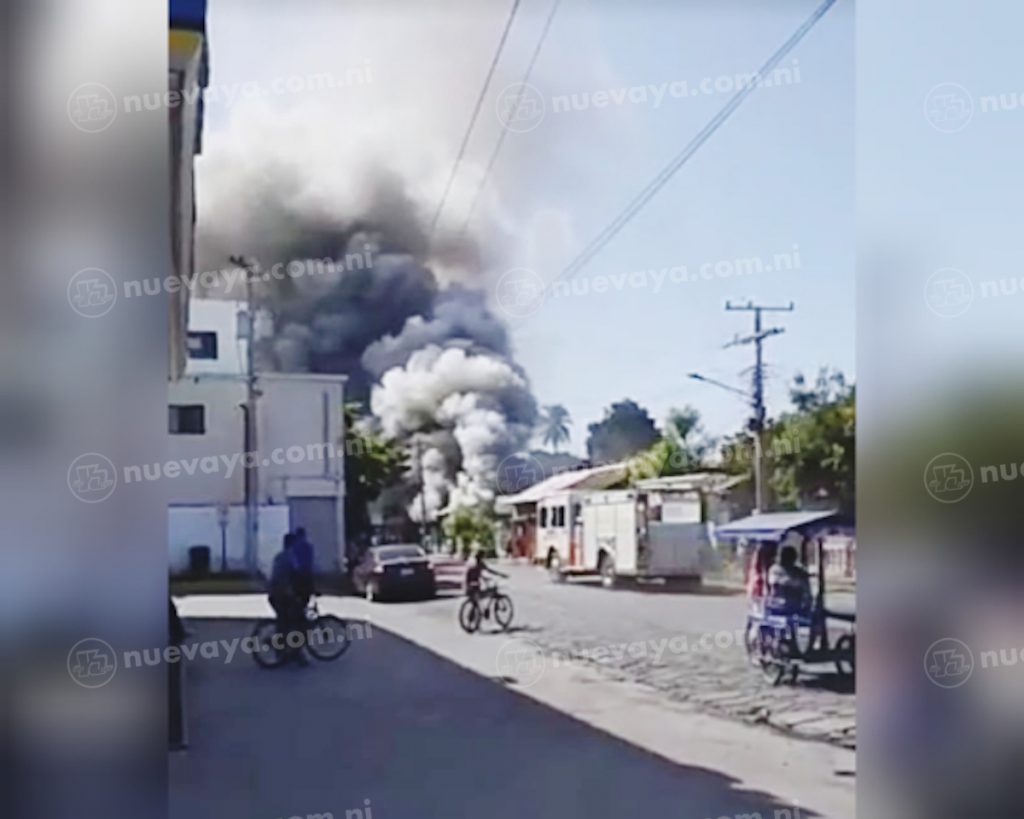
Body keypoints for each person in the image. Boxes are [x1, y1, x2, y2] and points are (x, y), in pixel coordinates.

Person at [268, 533, 307, 665]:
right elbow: (297, 575)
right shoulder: (290, 557)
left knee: (284, 621)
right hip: (283, 594)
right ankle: (295, 653)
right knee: (299, 622)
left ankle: (283, 651)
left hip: (274, 594)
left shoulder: (279, 556)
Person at [767, 543, 812, 614]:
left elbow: (807, 592)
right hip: (777, 606)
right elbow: (774, 582)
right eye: (784, 556)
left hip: (795, 607)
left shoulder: (799, 572)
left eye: (788, 557)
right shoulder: (775, 569)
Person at [291, 526, 316, 607]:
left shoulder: (294, 547)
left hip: (298, 572)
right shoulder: (309, 546)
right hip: (306, 572)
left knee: (297, 592)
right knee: (306, 592)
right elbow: (310, 560)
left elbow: (293, 560)